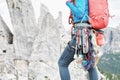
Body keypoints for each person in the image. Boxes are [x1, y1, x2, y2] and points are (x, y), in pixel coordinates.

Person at [58, 0, 98, 80]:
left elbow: (80, 13)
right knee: (90, 65)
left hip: (80, 33)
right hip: (87, 33)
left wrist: (68, 3)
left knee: (62, 63)